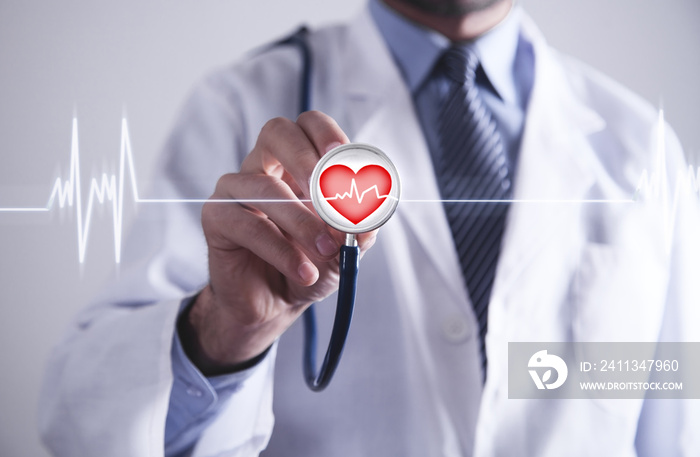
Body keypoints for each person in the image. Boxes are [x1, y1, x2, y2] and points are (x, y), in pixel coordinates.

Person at [39, 0, 700, 456]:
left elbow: (671, 427)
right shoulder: (241, 105)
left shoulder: (642, 146)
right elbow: (81, 413)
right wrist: (223, 331)